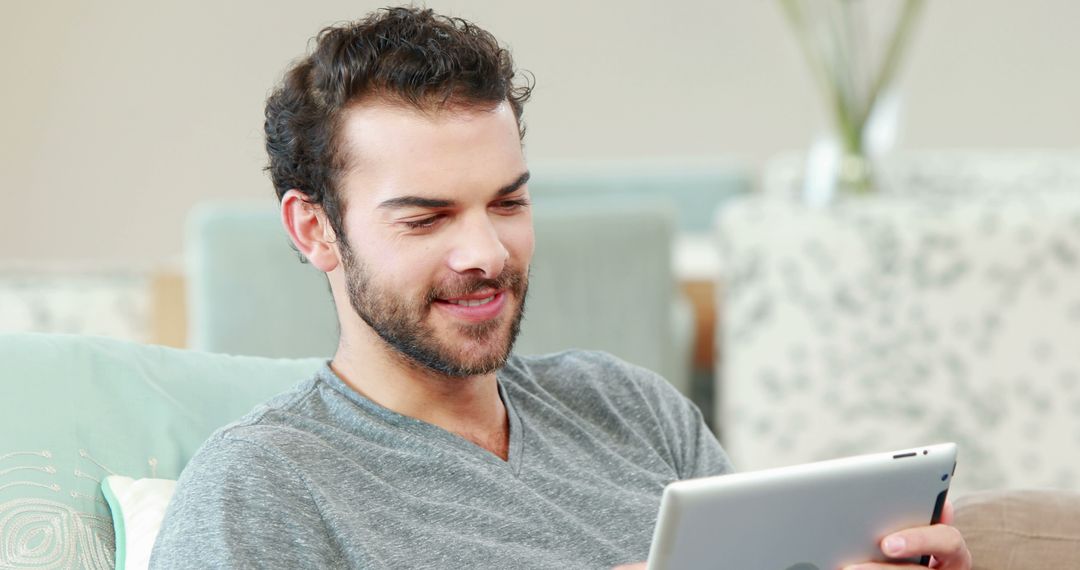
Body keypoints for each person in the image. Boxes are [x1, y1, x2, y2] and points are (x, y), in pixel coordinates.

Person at [150, 7, 971, 569]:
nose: (485, 253)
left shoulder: (632, 410)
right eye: (426, 219)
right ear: (314, 230)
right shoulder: (264, 484)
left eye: (507, 202)